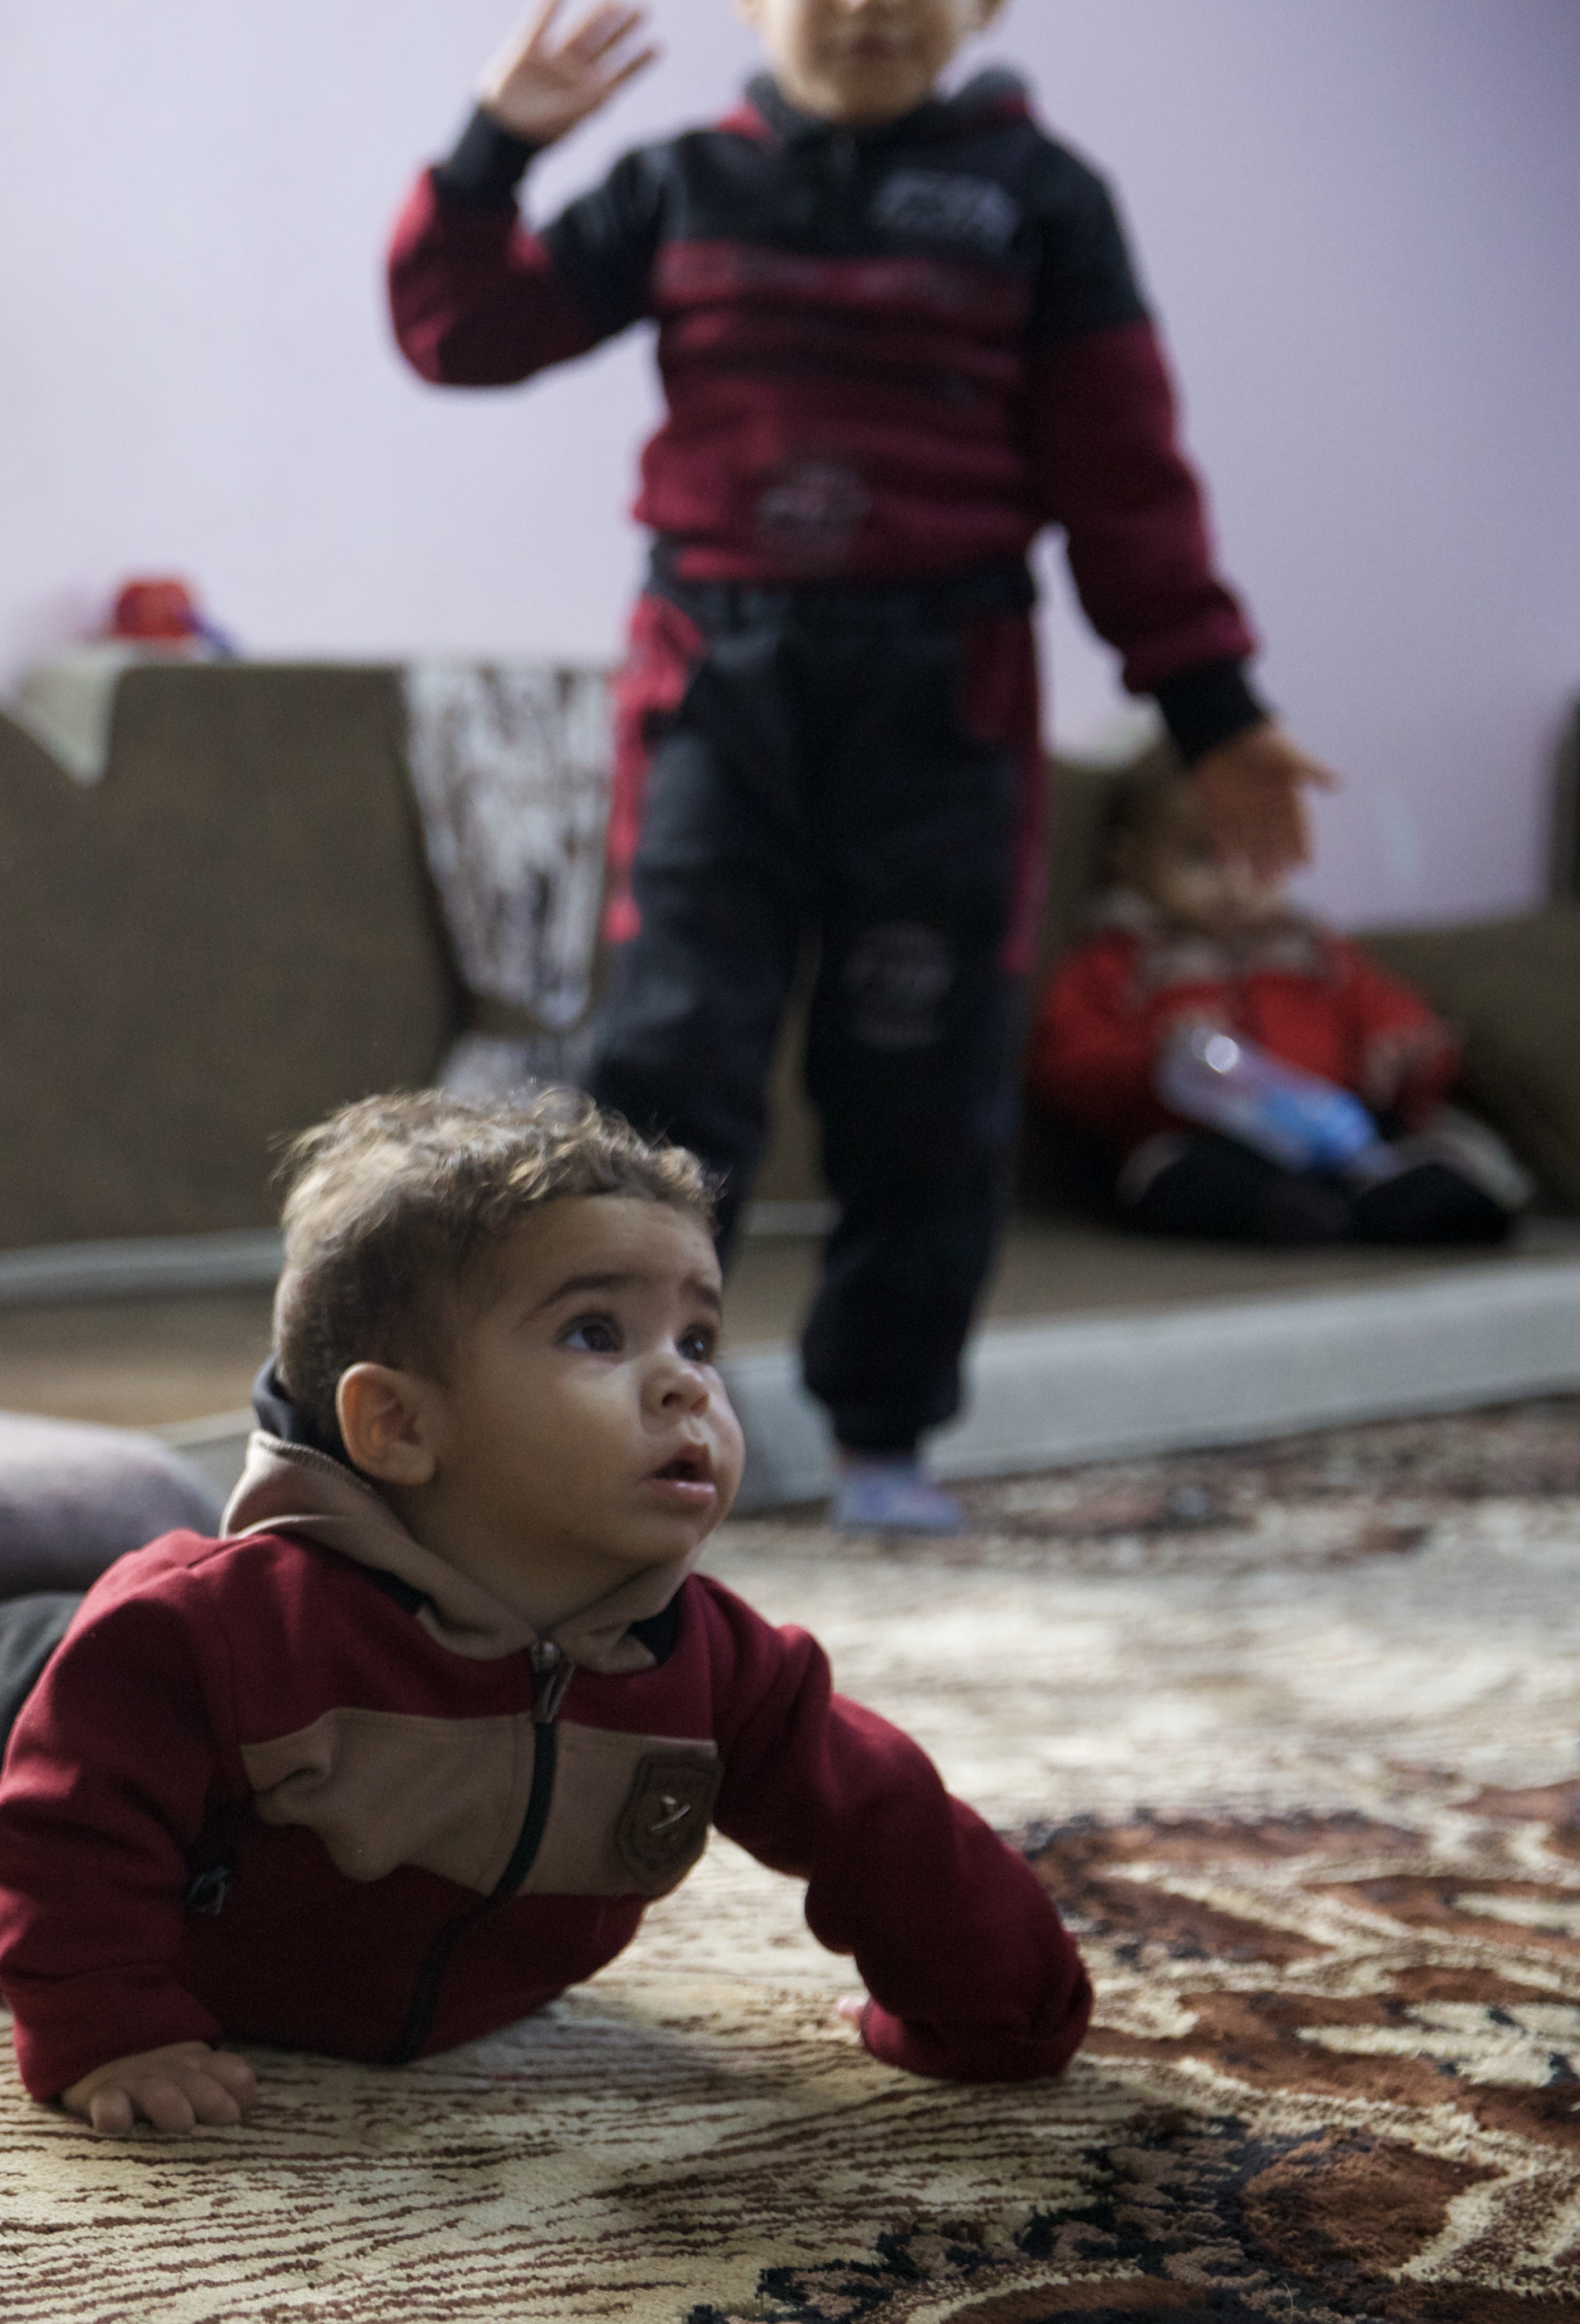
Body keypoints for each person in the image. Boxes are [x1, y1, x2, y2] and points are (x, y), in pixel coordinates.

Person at [0, 1091, 1091, 2138]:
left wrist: (996, 2007)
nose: (685, 1385)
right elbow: (68, 1820)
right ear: (396, 1425)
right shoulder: (220, 1632)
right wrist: (109, 2026)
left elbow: (884, 1818)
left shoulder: (713, 1671)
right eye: (598, 1333)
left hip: (232, 1862)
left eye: (698, 1335)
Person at [388, 0, 1337, 1534]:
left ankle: (885, 1441)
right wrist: (495, 151)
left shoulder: (1042, 203)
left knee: (923, 1084)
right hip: (720, 691)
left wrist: (1213, 708)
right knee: (668, 1071)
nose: (876, 12)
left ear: (984, 12)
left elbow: (1126, 475)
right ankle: (606, 1425)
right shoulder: (685, 183)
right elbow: (461, 332)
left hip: (940, 703)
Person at [1028, 748, 1518, 1249]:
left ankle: (1435, 1208)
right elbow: (1063, 1063)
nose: (1237, 885)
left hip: (1342, 1134)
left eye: (1259, 858)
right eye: (1203, 857)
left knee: (1427, 1146)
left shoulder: (1318, 953)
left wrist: (1405, 1053)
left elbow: (1392, 1014)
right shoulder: (1121, 960)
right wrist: (1156, 1057)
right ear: (1129, 861)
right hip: (1203, 1135)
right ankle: (1286, 1214)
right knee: (1176, 1176)